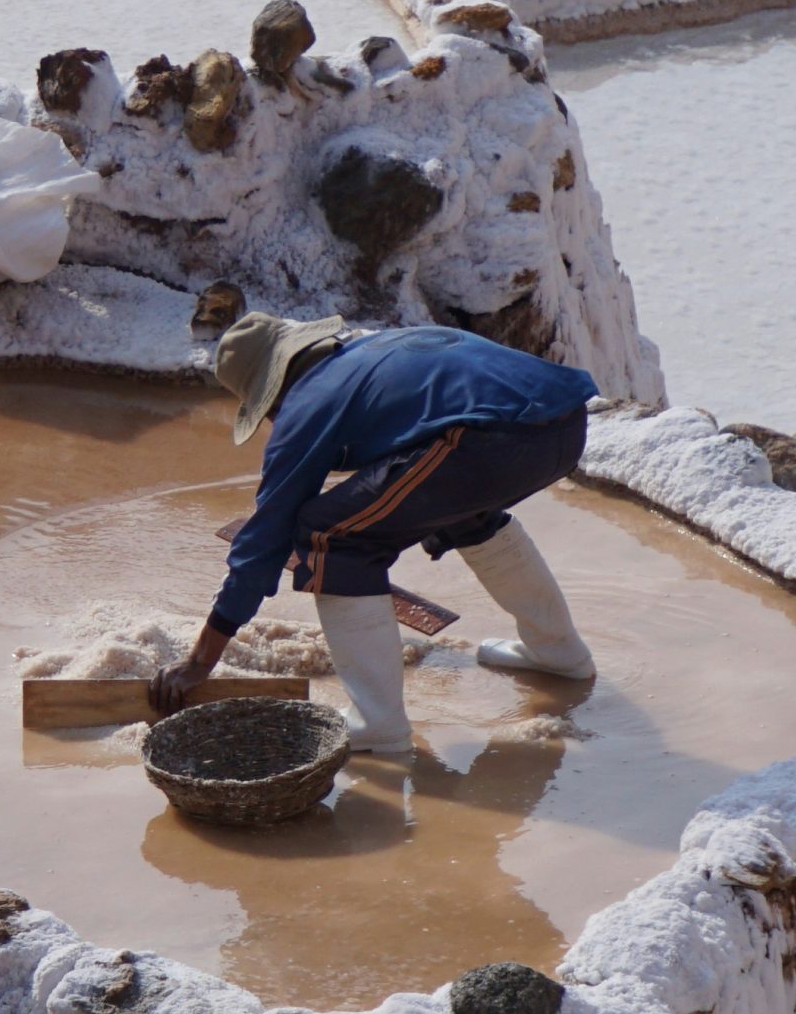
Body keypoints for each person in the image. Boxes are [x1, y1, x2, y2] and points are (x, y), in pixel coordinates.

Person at [149, 312, 598, 756]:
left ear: (273, 391)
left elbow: (264, 539)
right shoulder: (372, 352)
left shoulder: (309, 401)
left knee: (331, 536)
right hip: (565, 424)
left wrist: (200, 660)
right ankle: (557, 652)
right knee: (463, 510)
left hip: (489, 442)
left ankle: (377, 722)